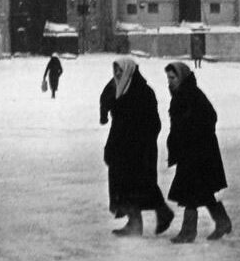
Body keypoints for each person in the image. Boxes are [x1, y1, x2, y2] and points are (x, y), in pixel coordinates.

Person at [99, 57, 174, 237]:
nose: (117, 74)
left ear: (129, 70)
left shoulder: (142, 91)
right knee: (127, 185)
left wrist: (139, 142)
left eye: (120, 70)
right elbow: (106, 100)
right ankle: (136, 223)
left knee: (140, 184)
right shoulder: (118, 88)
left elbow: (153, 123)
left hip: (138, 147)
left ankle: (160, 213)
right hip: (121, 146)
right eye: (115, 70)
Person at [164, 62, 231, 243]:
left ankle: (188, 232)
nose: (170, 82)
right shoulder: (180, 95)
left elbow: (210, 116)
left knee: (190, 191)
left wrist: (194, 133)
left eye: (173, 77)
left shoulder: (192, 94)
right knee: (202, 190)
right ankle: (222, 221)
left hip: (199, 151)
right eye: (169, 78)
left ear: (182, 77)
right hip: (191, 150)